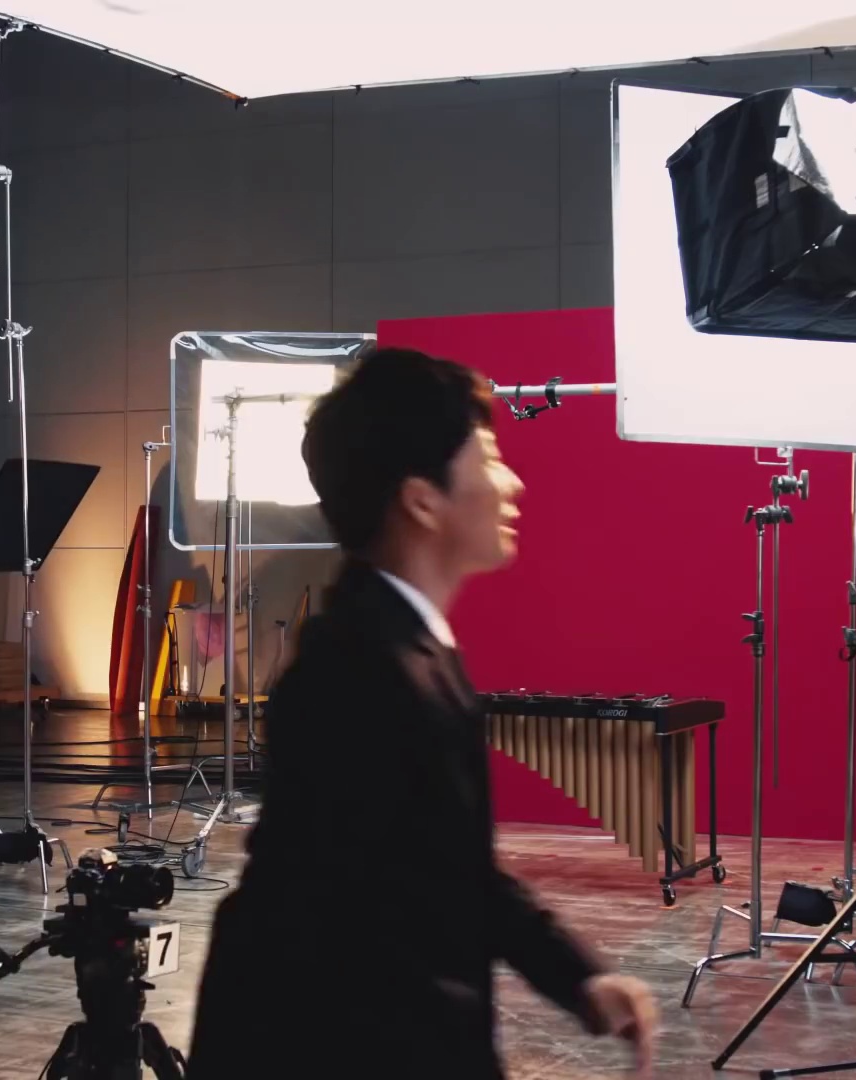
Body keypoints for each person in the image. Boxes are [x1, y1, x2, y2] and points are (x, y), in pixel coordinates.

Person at [185, 347, 658, 1079]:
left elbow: (444, 869)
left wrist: (576, 976)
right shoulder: (358, 672)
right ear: (422, 500)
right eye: (489, 459)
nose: (512, 483)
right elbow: (361, 952)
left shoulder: (405, 645)